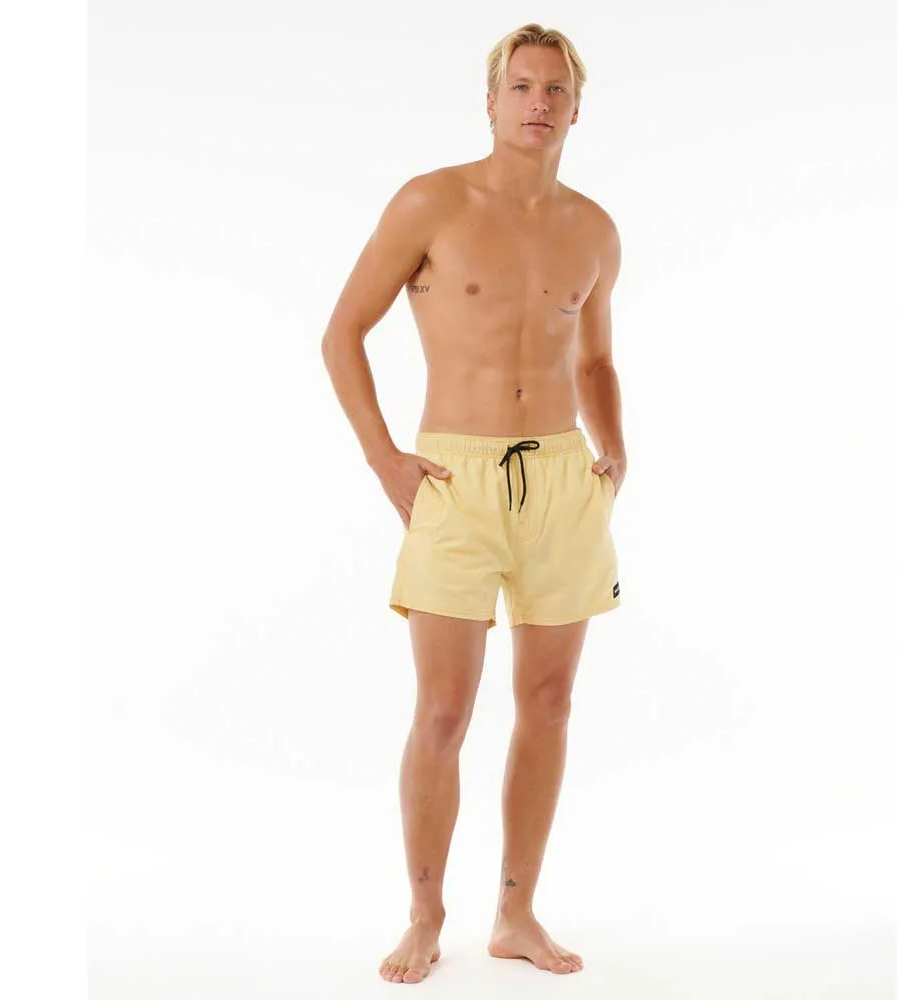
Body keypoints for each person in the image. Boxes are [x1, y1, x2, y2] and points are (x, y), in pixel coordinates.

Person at [321, 22, 626, 985]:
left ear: (577, 108)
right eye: (522, 86)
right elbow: (342, 331)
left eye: (556, 89)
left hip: (563, 478)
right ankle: (425, 915)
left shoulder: (594, 228)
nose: (539, 103)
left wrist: (615, 450)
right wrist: (384, 460)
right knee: (445, 710)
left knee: (550, 701)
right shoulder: (433, 200)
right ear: (491, 102)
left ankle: (516, 914)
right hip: (454, 478)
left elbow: (596, 358)